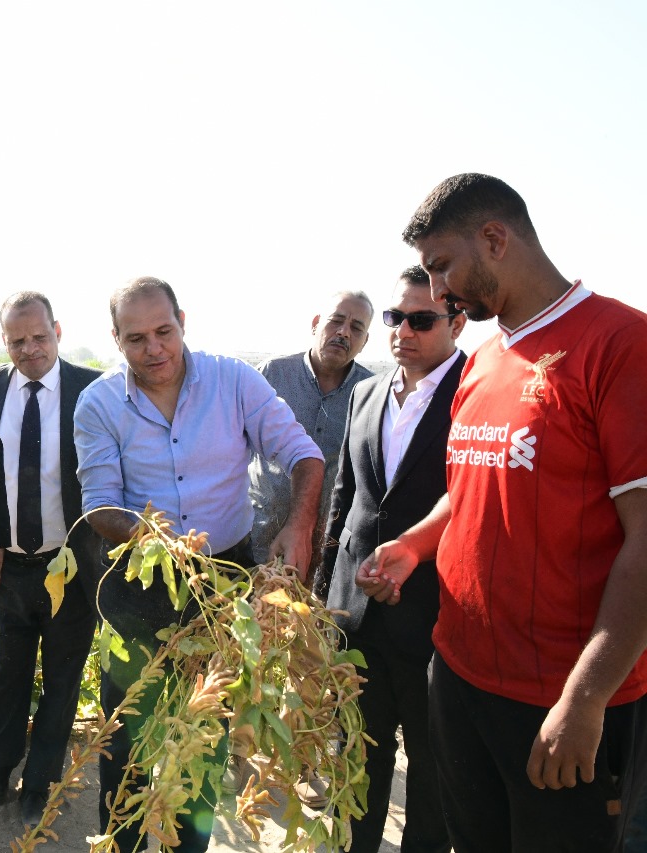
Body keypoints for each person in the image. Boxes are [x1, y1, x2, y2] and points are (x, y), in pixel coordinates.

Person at [358, 173, 647, 852]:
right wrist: (415, 544)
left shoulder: (620, 343)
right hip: (459, 677)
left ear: (494, 238)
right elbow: (470, 488)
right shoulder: (484, 360)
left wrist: (584, 699)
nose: (437, 292)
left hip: (558, 701)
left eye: (441, 266)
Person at [75, 276, 324, 852]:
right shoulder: (100, 404)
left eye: (164, 331)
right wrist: (159, 541)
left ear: (182, 321)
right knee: (128, 739)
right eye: (136, 338)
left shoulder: (234, 381)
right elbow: (100, 506)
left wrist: (300, 525)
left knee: (205, 737)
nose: (154, 349)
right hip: (140, 584)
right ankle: (123, 842)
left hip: (221, 586)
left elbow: (302, 454)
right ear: (115, 339)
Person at [315, 267, 464, 853]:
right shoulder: (366, 392)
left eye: (421, 319)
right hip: (357, 618)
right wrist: (326, 595)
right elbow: (345, 498)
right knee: (356, 757)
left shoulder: (475, 395)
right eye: (396, 317)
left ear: (457, 321)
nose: (403, 331)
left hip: (435, 619)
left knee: (431, 771)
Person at [0, 292, 102, 826]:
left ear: (58, 331)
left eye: (39, 337)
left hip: (70, 566)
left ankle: (39, 784)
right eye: (17, 341)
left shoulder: (91, 390)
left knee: (62, 681)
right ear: (4, 341)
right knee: (7, 674)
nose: (30, 349)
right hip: (8, 566)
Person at [248, 290, 374, 570]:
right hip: (258, 540)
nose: (343, 332)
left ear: (365, 341)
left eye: (356, 328)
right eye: (336, 321)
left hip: (326, 554)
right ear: (316, 324)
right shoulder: (270, 375)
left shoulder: (371, 394)